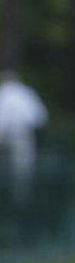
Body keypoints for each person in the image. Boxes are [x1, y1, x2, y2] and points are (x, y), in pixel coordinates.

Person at [0, 69, 47, 204]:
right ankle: (22, 195)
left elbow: (2, 117)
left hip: (12, 131)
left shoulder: (5, 92)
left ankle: (18, 196)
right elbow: (41, 115)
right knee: (24, 165)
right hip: (27, 131)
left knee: (21, 163)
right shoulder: (27, 92)